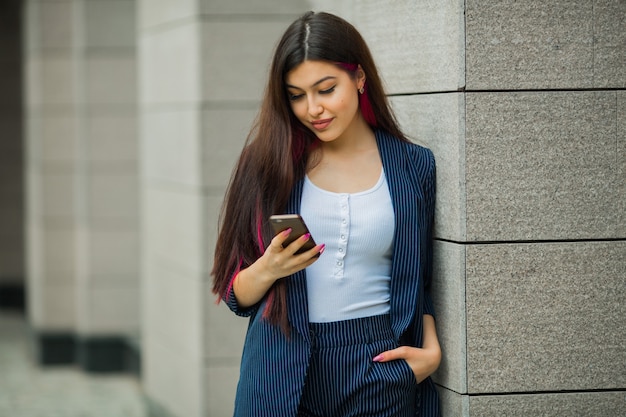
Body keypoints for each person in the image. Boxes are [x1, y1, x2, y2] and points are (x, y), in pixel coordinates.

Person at [212, 11, 441, 417]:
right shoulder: (266, 164)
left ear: (359, 78)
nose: (312, 109)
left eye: (326, 89)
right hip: (280, 367)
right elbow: (235, 294)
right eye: (296, 95)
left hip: (380, 363)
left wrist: (431, 349)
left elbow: (422, 276)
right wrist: (269, 268)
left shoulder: (413, 165)